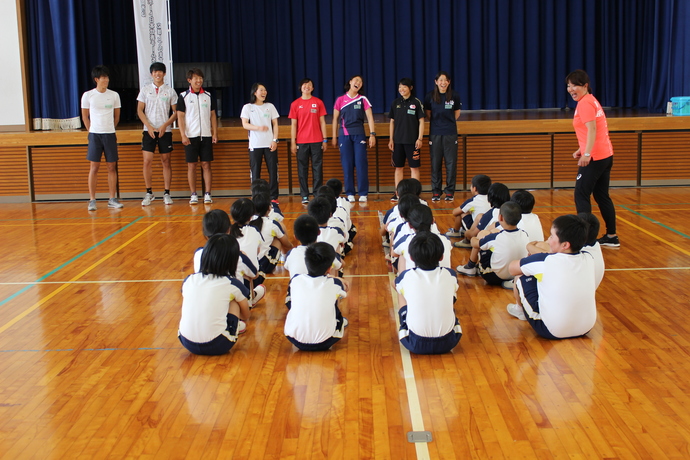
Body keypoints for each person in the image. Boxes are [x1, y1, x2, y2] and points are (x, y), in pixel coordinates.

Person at [506, 214, 597, 340]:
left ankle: (519, 309)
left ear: (565, 245)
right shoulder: (589, 258)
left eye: (552, 236)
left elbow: (512, 268)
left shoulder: (544, 260)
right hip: (586, 327)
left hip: (551, 330)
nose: (548, 240)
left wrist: (530, 259)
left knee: (520, 276)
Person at [566, 69, 619, 248]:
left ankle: (585, 239)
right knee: (602, 196)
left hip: (596, 157)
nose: (570, 89)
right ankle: (611, 236)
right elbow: (596, 130)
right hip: (605, 154)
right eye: (568, 85)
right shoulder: (591, 100)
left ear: (585, 86)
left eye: (574, 85)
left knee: (581, 194)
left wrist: (587, 154)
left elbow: (593, 130)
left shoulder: (585, 104)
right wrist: (581, 149)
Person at [179, 233, 251, 355]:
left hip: (186, 342)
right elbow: (245, 315)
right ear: (232, 261)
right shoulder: (231, 283)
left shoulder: (189, 280)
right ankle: (233, 328)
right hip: (218, 344)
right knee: (234, 302)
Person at [396, 231, 462, 354]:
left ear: (411, 257)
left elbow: (398, 286)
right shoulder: (450, 274)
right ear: (442, 257)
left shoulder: (406, 276)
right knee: (449, 295)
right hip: (450, 342)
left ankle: (404, 320)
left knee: (400, 291)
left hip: (415, 343)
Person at [284, 242, 349, 351]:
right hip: (326, 341)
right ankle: (333, 323)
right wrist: (338, 279)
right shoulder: (334, 283)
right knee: (333, 301)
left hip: (294, 339)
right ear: (329, 269)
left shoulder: (295, 279)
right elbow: (344, 292)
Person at [456, 201, 529, 289]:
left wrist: (474, 237)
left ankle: (470, 266)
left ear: (500, 217)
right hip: (515, 274)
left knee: (482, 236)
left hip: (494, 277)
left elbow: (474, 243)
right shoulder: (525, 234)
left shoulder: (496, 237)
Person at [81, 65, 122, 211]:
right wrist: (91, 130)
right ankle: (92, 199)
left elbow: (117, 116)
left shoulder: (114, 95)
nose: (106, 80)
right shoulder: (88, 95)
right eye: (103, 78)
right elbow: (85, 116)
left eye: (107, 77)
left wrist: (110, 127)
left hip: (110, 134)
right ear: (96, 79)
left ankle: (112, 198)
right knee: (94, 167)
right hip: (94, 135)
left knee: (111, 166)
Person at [136, 62, 178, 206]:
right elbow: (140, 110)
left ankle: (167, 193)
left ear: (164, 74)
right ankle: (149, 192)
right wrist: (148, 126)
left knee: (166, 161)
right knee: (147, 161)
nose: (157, 74)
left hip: (164, 131)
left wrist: (165, 125)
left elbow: (175, 112)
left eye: (160, 72)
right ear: (151, 74)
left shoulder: (170, 91)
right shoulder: (145, 90)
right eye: (155, 72)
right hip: (149, 131)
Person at [332, 75, 377, 203]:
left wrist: (372, 134)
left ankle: (363, 193)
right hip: (344, 135)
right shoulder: (340, 99)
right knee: (347, 165)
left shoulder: (363, 99)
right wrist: (334, 136)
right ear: (350, 82)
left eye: (360, 82)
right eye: (356, 80)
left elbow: (370, 117)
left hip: (359, 135)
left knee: (361, 164)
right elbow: (335, 119)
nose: (358, 83)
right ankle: (350, 193)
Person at [177, 68, 218, 205]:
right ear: (189, 80)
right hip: (190, 136)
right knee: (192, 166)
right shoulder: (183, 96)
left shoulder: (208, 95)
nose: (199, 80)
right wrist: (183, 135)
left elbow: (213, 115)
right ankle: (193, 194)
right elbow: (180, 117)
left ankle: (207, 193)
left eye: (200, 78)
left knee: (206, 165)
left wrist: (214, 133)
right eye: (195, 78)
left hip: (206, 135)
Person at [289, 78, 328, 204]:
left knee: (317, 168)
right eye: (305, 85)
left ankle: (317, 194)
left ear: (313, 88)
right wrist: (293, 142)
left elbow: (322, 122)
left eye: (310, 85)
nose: (307, 87)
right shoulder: (295, 104)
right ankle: (304, 195)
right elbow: (293, 125)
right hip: (301, 141)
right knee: (302, 169)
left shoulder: (318, 102)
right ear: (300, 87)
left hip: (317, 140)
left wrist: (325, 139)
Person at [425, 71, 462, 202]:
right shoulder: (430, 96)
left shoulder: (454, 95)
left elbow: (457, 113)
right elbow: (428, 114)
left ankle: (449, 192)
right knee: (435, 163)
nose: (443, 82)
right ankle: (436, 191)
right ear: (436, 82)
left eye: (445, 80)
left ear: (449, 82)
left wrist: (448, 123)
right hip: (435, 133)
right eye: (440, 80)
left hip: (450, 133)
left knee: (451, 164)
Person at [241, 83, 281, 202]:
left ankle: (274, 196)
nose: (264, 92)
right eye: (261, 90)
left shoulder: (270, 106)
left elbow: (275, 124)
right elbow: (245, 124)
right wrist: (258, 128)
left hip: (269, 144)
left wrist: (275, 140)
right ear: (255, 92)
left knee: (273, 171)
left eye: (265, 90)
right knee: (255, 172)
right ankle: (256, 196)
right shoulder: (247, 107)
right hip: (255, 145)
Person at [388, 78, 425, 201]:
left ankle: (415, 193)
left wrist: (420, 138)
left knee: (414, 167)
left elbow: (421, 121)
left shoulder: (416, 102)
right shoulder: (395, 103)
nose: (401, 89)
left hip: (412, 141)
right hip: (398, 141)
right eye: (400, 87)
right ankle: (398, 193)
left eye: (404, 87)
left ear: (410, 88)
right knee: (398, 167)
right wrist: (391, 139)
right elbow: (392, 122)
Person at [230, 198, 266, 306]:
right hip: (251, 273)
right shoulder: (254, 230)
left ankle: (249, 298)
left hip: (229, 277)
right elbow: (259, 251)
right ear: (251, 216)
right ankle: (250, 298)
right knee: (248, 268)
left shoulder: (228, 232)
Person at [454, 182, 510, 248]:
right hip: (510, 242)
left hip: (493, 247)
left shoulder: (490, 214)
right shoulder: (511, 211)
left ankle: (468, 245)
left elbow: (473, 234)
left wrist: (466, 234)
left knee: (474, 236)